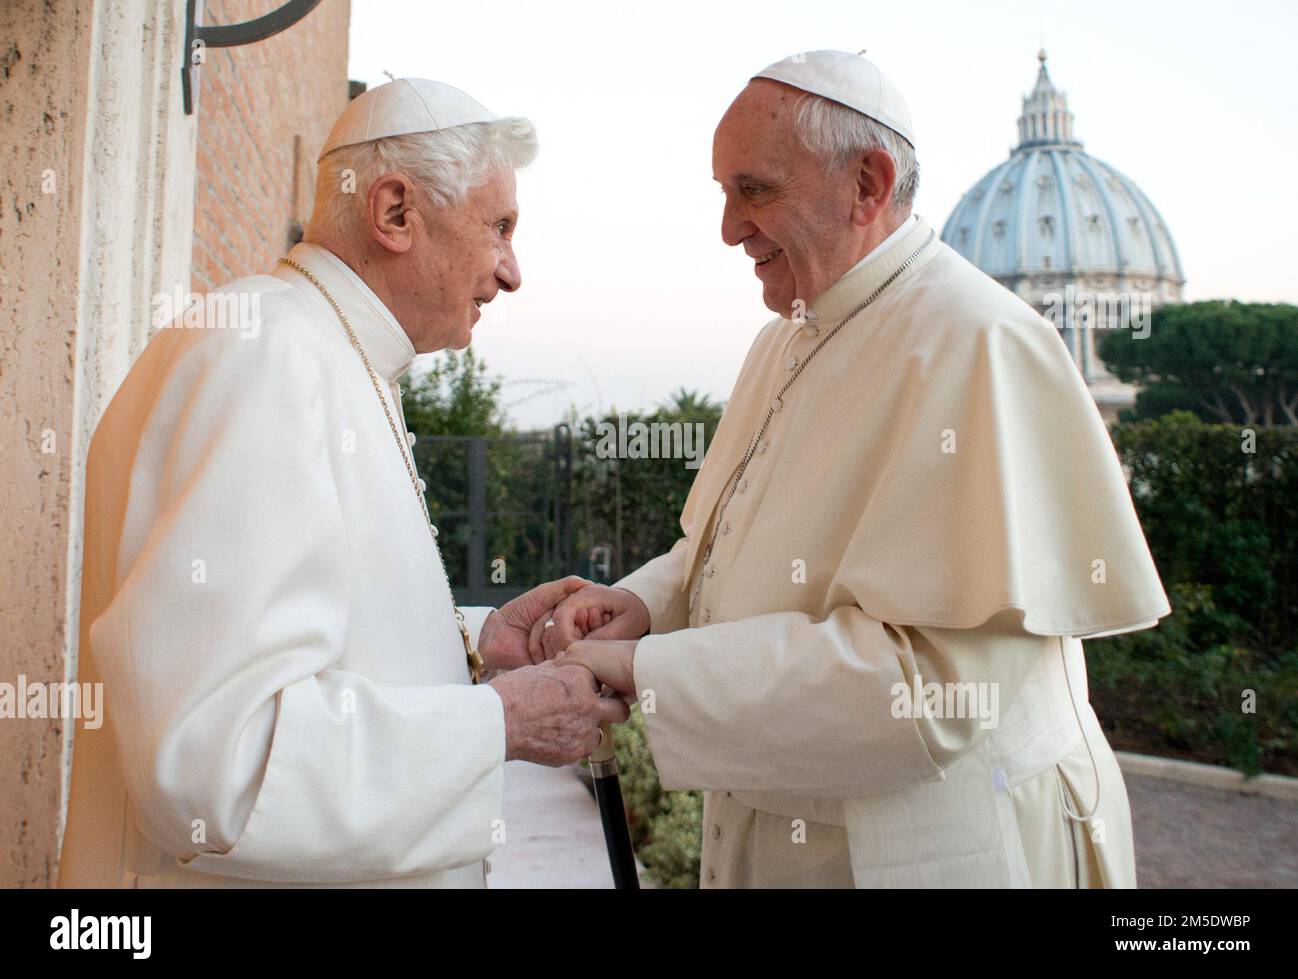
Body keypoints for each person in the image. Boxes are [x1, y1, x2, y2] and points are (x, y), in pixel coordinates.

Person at [542, 51, 1169, 888]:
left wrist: (646, 673)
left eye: (754, 190)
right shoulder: (787, 337)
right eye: (724, 193)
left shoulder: (979, 343)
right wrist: (645, 608)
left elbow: (934, 685)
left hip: (933, 844)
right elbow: (727, 548)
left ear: (867, 184)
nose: (728, 227)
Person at [58, 78, 626, 889]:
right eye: (498, 227)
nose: (511, 272)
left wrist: (480, 642)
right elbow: (218, 767)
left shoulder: (326, 354)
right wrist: (499, 722)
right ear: (395, 212)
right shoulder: (269, 356)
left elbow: (322, 645)